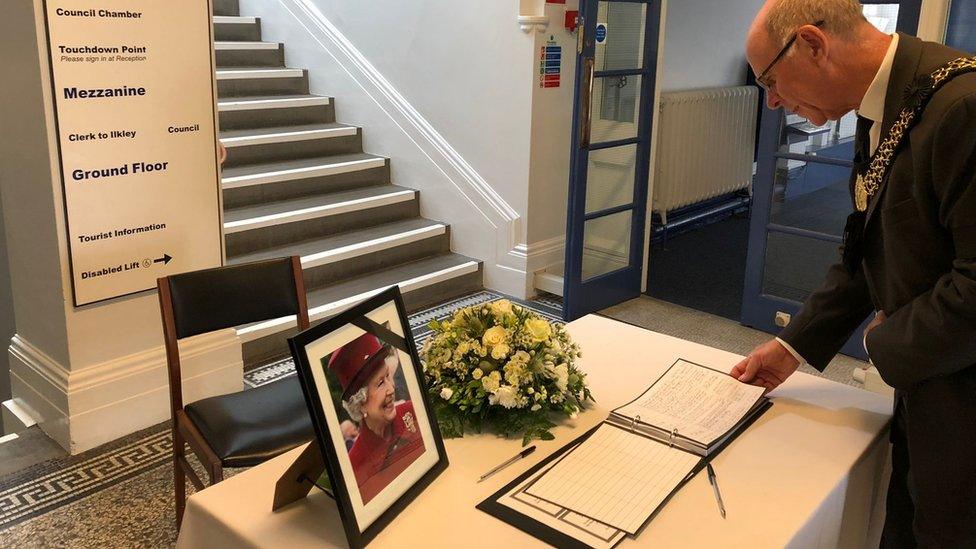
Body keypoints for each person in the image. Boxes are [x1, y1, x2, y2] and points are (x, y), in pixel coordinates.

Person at [734, 1, 976, 545]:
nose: (772, 102)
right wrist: (792, 346)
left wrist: (883, 341)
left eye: (770, 80)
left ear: (813, 45)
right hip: (928, 382)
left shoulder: (962, 106)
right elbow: (866, 250)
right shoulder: (884, 105)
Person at [328, 333, 425, 504]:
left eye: (388, 376)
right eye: (380, 383)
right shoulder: (354, 466)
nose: (392, 388)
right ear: (360, 403)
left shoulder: (414, 410)